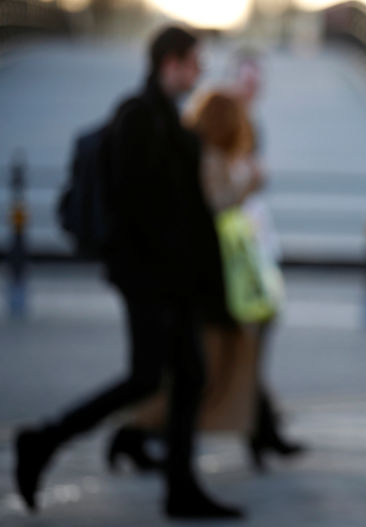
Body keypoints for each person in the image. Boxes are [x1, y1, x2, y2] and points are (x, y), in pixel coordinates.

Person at [13, 26, 243, 519]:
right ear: (171, 62)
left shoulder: (167, 121)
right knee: (148, 377)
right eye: (195, 62)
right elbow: (139, 208)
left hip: (171, 282)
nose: (200, 71)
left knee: (186, 375)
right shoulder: (138, 118)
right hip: (152, 282)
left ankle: (180, 489)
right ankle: (42, 440)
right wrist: (162, 274)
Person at [107, 87, 302, 473]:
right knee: (204, 367)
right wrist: (249, 186)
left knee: (213, 364)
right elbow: (215, 205)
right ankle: (140, 436)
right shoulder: (206, 155)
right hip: (210, 283)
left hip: (212, 281)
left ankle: (257, 433)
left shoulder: (200, 150)